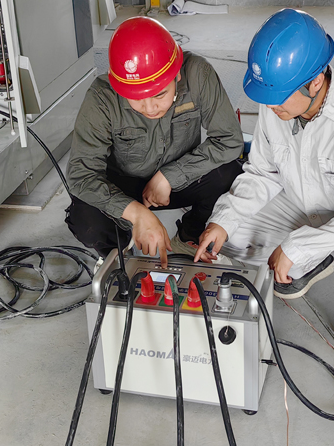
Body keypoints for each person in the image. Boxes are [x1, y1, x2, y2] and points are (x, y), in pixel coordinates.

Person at [194, 9, 334, 350]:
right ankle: (314, 256)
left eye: (278, 97)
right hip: (299, 202)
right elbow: (262, 172)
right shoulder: (277, 104)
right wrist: (223, 220)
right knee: (232, 238)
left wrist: (297, 247)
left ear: (316, 81)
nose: (269, 107)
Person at [66, 16, 243, 265]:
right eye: (136, 97)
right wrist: (135, 213)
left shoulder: (197, 74)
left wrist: (170, 176)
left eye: (160, 94)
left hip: (178, 183)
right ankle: (118, 252)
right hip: (123, 187)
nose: (149, 108)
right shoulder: (102, 97)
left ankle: (190, 235)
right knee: (85, 219)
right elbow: (81, 175)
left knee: (230, 173)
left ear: (177, 75)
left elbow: (230, 140)